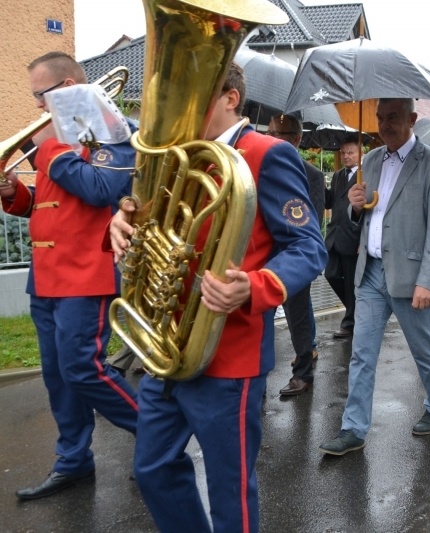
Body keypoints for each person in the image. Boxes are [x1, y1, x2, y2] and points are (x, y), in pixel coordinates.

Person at [109, 63, 326, 531]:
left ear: (231, 99)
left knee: (231, 489)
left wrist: (256, 285)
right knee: (152, 469)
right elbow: (145, 219)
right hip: (165, 342)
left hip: (229, 350)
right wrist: (121, 223)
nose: (175, 108)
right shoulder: (176, 153)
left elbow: (309, 246)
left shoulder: (267, 153)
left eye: (193, 95)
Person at [0, 52, 139, 501]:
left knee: (84, 370)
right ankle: (74, 460)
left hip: (86, 273)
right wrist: (16, 194)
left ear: (64, 87)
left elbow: (103, 189)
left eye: (41, 95)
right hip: (45, 278)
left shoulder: (109, 129)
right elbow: (52, 204)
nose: (38, 106)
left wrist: (51, 150)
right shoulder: (59, 140)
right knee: (58, 376)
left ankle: (158, 434)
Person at [318, 98, 430, 456]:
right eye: (380, 117)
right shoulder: (371, 161)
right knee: (361, 353)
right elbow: (359, 218)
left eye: (392, 117)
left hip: (411, 275)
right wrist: (354, 205)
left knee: (423, 348)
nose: (384, 124)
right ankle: (353, 427)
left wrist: (429, 279)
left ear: (412, 119)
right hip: (371, 272)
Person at [266, 114, 326, 396]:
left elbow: (310, 222)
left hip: (292, 258)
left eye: (283, 134)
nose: (275, 139)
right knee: (258, 322)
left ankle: (303, 372)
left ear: (298, 139)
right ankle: (256, 380)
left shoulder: (311, 174)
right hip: (260, 257)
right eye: (271, 132)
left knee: (298, 318)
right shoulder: (255, 167)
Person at [324, 137, 362, 339]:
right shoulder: (338, 175)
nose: (346, 156)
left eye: (350, 152)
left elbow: (367, 211)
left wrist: (363, 241)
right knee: (330, 274)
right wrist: (319, 185)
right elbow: (330, 202)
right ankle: (355, 310)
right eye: (343, 152)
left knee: (351, 282)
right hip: (334, 236)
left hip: (353, 237)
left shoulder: (364, 176)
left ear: (359, 154)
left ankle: (350, 323)